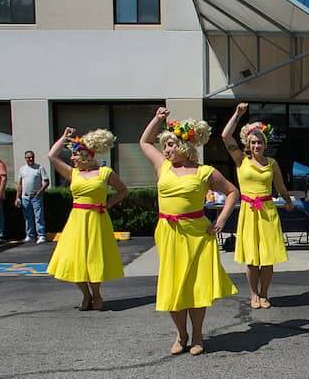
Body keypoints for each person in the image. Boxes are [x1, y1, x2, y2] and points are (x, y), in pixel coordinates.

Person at [140, 107, 239, 356]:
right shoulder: (162, 166)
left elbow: (232, 192)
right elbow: (144, 141)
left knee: (195, 286)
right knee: (173, 286)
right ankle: (181, 334)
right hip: (168, 232)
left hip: (197, 234)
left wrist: (222, 220)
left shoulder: (204, 171)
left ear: (184, 145)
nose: (167, 149)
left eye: (171, 144)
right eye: (166, 145)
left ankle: (197, 335)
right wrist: (158, 119)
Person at [222, 102, 294, 309]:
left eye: (259, 142)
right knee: (252, 259)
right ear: (247, 144)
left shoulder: (272, 163)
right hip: (248, 212)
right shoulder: (240, 160)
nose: (256, 146)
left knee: (268, 257)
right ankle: (253, 294)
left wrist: (288, 202)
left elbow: (280, 187)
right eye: (253, 143)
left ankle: (264, 294)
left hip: (268, 211)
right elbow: (226, 137)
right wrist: (237, 114)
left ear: (265, 144)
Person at [47, 128, 127, 310]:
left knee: (94, 258)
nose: (72, 158)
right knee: (75, 259)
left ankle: (97, 295)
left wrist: (108, 204)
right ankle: (86, 295)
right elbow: (52, 156)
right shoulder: (73, 173)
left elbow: (123, 190)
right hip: (77, 220)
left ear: (86, 156)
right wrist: (64, 137)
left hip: (97, 220)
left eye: (75, 155)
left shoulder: (105, 173)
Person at [15, 150, 49, 243]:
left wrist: (40, 191)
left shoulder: (39, 168)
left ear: (34, 157)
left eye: (31, 157)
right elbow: (19, 184)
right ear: (25, 158)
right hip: (25, 197)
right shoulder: (22, 169)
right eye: (28, 157)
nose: (30, 159)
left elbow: (46, 181)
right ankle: (30, 235)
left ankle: (41, 235)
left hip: (36, 196)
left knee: (39, 216)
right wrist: (17, 197)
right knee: (27, 217)